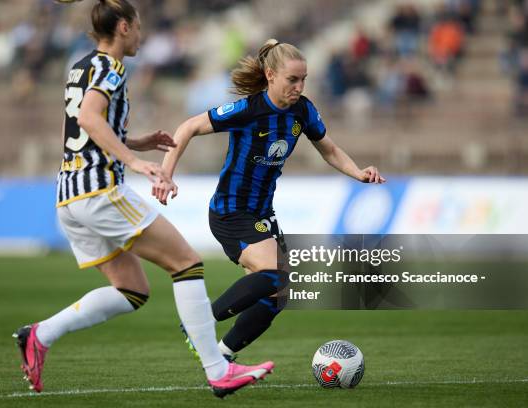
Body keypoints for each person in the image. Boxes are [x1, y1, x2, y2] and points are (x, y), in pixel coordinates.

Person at [14, 0, 273, 398]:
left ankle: (40, 335)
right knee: (187, 264)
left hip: (69, 195)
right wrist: (134, 160)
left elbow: (84, 130)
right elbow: (89, 119)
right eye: (137, 27)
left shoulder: (81, 65)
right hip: (99, 189)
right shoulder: (110, 67)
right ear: (122, 27)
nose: (141, 34)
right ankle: (218, 369)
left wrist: (138, 141)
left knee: (132, 289)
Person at [156, 39, 385, 361]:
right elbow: (189, 126)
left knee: (280, 292)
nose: (299, 86)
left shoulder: (303, 110)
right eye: (293, 79)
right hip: (231, 212)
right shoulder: (249, 109)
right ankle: (200, 321)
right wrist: (166, 173)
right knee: (275, 273)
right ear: (271, 75)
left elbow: (329, 149)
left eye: (303, 79)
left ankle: (223, 356)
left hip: (262, 214)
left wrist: (358, 172)